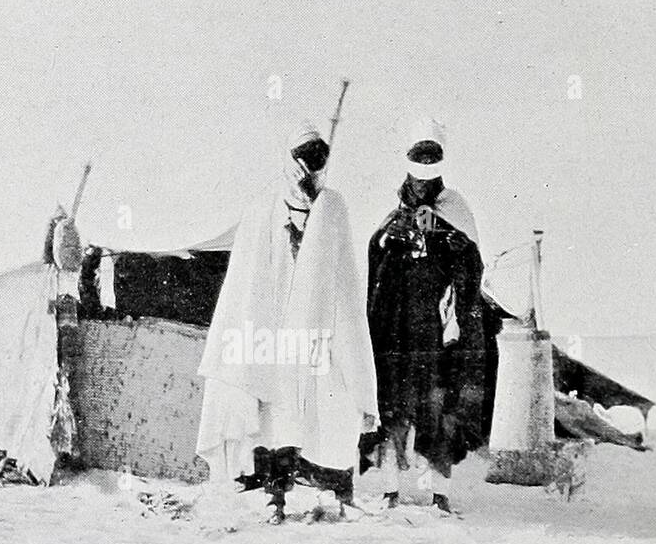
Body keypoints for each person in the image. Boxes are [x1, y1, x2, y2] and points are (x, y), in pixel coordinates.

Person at [197, 121, 378, 523]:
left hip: (321, 336)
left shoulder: (333, 206)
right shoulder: (264, 208)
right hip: (273, 335)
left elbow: (345, 280)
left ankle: (330, 494)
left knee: (327, 410)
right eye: (303, 156)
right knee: (274, 419)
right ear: (289, 159)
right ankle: (274, 497)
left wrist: (316, 211)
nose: (308, 167)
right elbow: (246, 282)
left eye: (317, 158)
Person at [361, 117, 487, 514]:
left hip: (436, 330)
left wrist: (451, 243)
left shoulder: (455, 208)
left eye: (431, 159)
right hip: (397, 329)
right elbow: (375, 259)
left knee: (438, 407)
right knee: (394, 407)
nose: (423, 176)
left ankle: (437, 493)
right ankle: (392, 488)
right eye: (419, 159)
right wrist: (387, 241)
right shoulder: (394, 213)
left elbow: (471, 266)